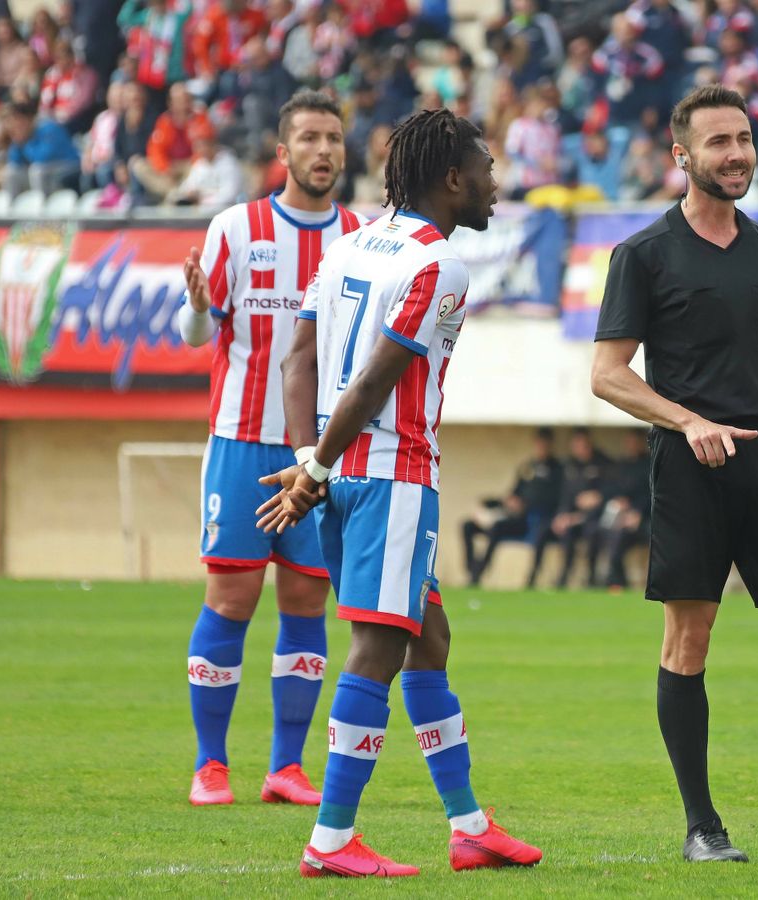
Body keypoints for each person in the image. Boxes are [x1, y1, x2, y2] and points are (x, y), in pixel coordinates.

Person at [260, 108, 542, 876]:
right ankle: (330, 840)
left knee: (430, 640)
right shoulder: (438, 265)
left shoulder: (348, 242)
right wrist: (312, 472)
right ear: (452, 179)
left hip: (342, 467)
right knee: (378, 647)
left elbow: (297, 360)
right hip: (392, 475)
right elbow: (377, 377)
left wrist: (308, 459)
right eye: (486, 171)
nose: (495, 184)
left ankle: (469, 826)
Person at [590, 86, 758, 864]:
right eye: (719, 142)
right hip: (687, 466)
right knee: (690, 638)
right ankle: (702, 827)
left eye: (745, 139)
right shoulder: (643, 255)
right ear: (682, 156)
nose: (737, 155)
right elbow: (608, 374)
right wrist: (688, 421)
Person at [173, 92, 362, 809]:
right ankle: (210, 764)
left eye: (334, 139)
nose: (323, 151)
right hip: (241, 441)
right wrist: (197, 304)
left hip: (320, 451)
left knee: (308, 598)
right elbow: (197, 335)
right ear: (283, 153)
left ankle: (286, 768)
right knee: (232, 595)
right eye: (309, 138)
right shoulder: (236, 227)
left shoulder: (360, 237)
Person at [460, 427, 565, 588]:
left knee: (497, 527)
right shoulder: (527, 467)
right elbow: (514, 493)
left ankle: (478, 574)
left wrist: (525, 505)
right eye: (538, 444)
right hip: (512, 515)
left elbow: (554, 498)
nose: (540, 447)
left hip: (530, 521)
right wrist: (494, 503)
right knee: (467, 525)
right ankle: (472, 568)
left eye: (544, 444)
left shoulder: (557, 469)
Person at [546, 428, 614, 589]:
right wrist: (562, 515)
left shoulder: (603, 464)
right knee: (564, 533)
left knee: (592, 532)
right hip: (574, 519)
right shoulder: (571, 467)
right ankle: (563, 577)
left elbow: (613, 490)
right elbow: (565, 495)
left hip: (596, 518)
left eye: (582, 445)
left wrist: (598, 497)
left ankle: (592, 577)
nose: (579, 449)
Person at [599, 429, 653, 591]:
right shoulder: (621, 465)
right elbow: (613, 489)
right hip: (622, 518)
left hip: (645, 518)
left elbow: (651, 493)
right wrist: (619, 502)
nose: (631, 446)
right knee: (611, 535)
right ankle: (617, 581)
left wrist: (637, 512)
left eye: (634, 442)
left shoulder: (648, 464)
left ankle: (654, 581)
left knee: (656, 536)